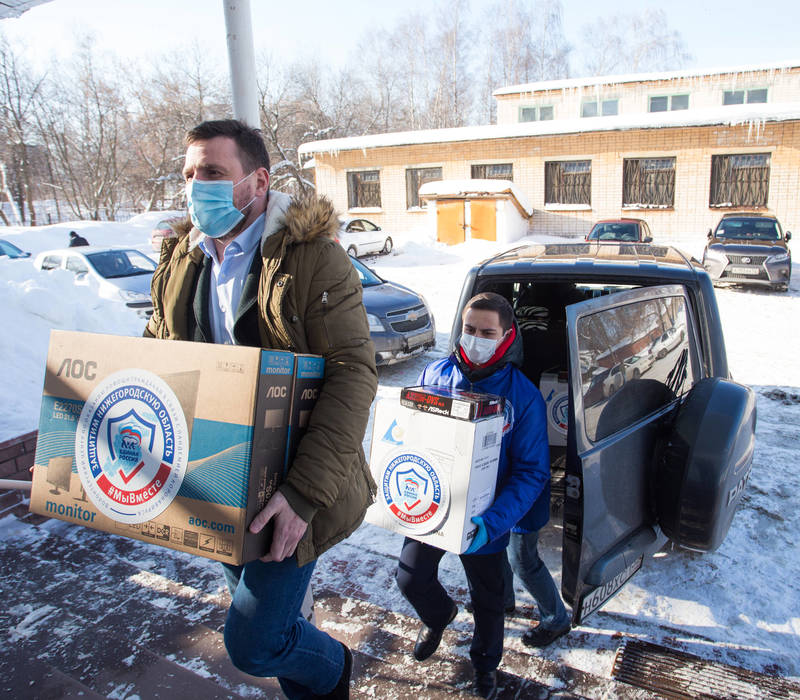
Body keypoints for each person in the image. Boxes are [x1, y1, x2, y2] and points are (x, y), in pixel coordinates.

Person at [144, 119, 377, 699]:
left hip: (288, 482)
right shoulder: (182, 259)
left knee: (254, 641)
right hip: (216, 480)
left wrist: (301, 496)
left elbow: (352, 373)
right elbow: (155, 348)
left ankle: (334, 670)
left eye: (214, 173)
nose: (197, 186)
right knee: (275, 631)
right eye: (190, 174)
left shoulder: (311, 259)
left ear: (258, 181)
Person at [395, 292, 564, 699]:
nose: (475, 338)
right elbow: (411, 438)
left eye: (487, 332)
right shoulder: (435, 375)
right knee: (410, 577)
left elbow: (531, 471)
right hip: (433, 506)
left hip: (485, 519)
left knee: (488, 600)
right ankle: (439, 616)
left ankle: (485, 665)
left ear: (506, 336)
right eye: (469, 329)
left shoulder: (522, 396)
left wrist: (493, 524)